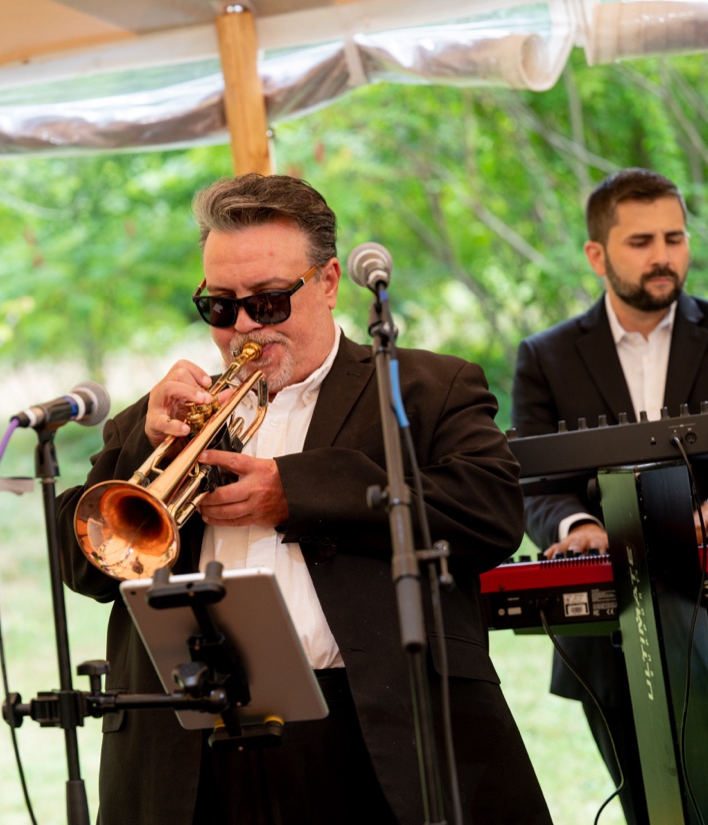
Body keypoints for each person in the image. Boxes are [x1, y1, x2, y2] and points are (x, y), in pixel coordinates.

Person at [56, 173, 550, 824]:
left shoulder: (429, 385)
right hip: (195, 748)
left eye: (267, 302)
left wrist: (298, 491)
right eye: (220, 306)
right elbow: (83, 564)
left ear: (327, 282)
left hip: (371, 731)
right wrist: (135, 452)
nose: (241, 327)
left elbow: (492, 512)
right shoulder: (159, 417)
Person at [512, 167, 708, 824]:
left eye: (675, 237)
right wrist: (575, 523)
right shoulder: (545, 357)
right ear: (596, 253)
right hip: (619, 650)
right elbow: (536, 483)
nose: (662, 256)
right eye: (641, 241)